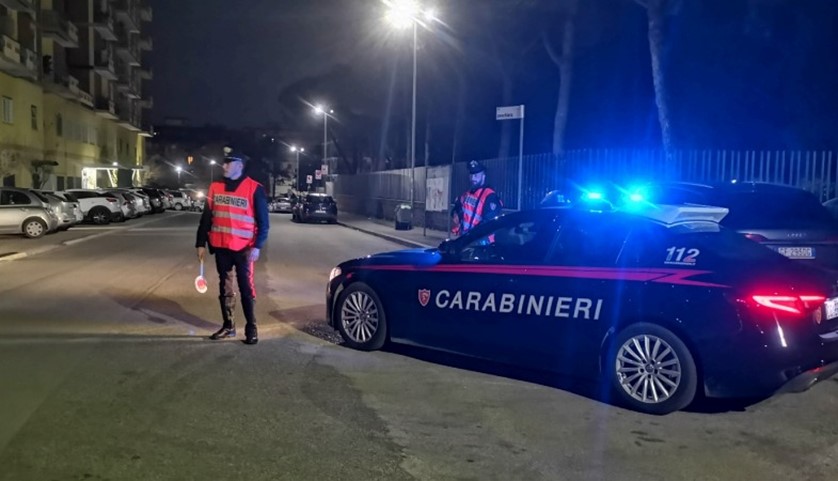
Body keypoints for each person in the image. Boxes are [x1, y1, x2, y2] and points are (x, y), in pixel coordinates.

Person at [196, 152, 270, 345]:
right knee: (225, 287)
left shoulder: (254, 188)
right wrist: (200, 243)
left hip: (244, 248)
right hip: (221, 246)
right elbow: (206, 217)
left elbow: (264, 223)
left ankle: (251, 328)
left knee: (246, 287)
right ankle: (228, 326)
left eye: (229, 163)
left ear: (240, 166)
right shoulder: (215, 187)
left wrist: (257, 246)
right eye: (224, 163)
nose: (224, 166)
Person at [451, 160, 503, 236]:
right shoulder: (467, 194)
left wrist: (471, 236)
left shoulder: (490, 196)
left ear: (483, 176)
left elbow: (487, 224)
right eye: (471, 175)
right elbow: (457, 206)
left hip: (481, 240)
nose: (472, 178)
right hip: (466, 238)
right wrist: (455, 213)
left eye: (476, 175)